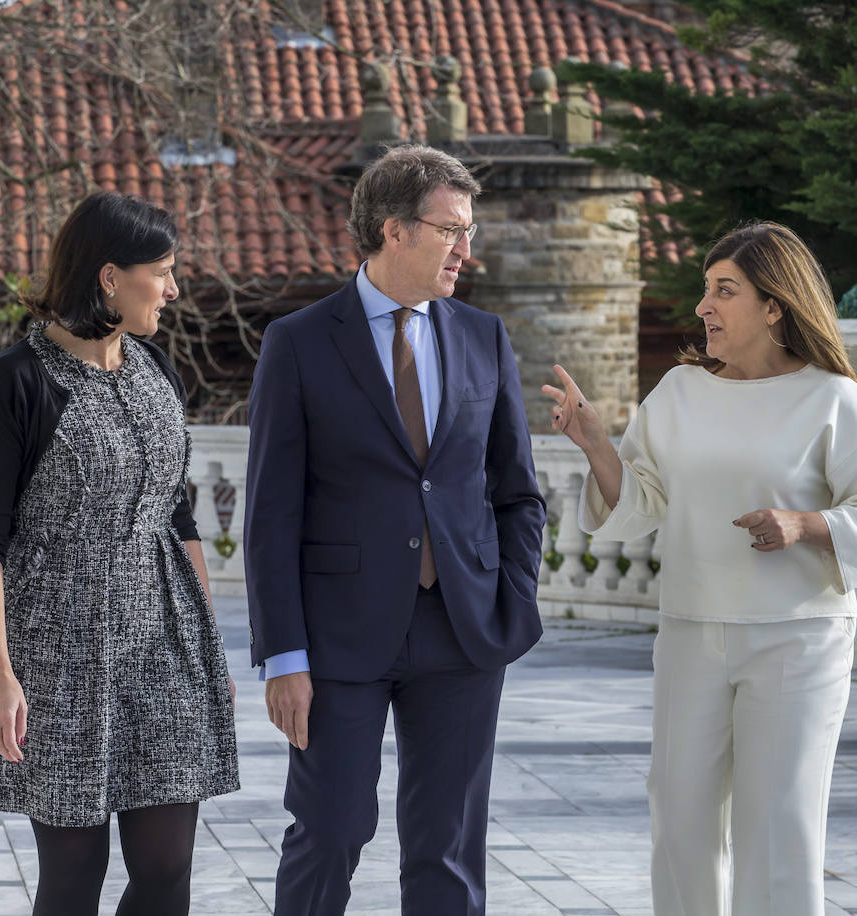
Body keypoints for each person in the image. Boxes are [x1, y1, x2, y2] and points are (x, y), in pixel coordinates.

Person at [543, 221, 857, 916]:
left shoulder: (833, 399)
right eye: (706, 289)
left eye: (724, 290)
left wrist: (805, 524)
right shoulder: (679, 392)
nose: (704, 305)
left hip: (798, 641)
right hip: (691, 631)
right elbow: (641, 504)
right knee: (680, 819)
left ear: (775, 305)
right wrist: (594, 441)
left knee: (778, 828)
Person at [243, 144, 546, 915]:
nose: (466, 251)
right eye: (452, 231)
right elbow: (272, 513)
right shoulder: (301, 342)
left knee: (446, 848)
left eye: (467, 231)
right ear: (395, 231)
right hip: (338, 638)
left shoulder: (485, 337)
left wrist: (512, 596)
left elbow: (517, 492)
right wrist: (283, 655)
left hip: (464, 630)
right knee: (332, 828)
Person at [0, 191, 240, 916]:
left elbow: (179, 517)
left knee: (168, 870)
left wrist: (210, 646)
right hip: (61, 652)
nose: (173, 289)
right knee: (75, 878)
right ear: (110, 277)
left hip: (164, 645)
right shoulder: (19, 380)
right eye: (162, 272)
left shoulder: (156, 371)